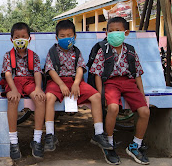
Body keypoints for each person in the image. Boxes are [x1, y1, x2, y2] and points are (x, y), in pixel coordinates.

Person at [44, 20, 112, 154]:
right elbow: (50, 70)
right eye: (62, 36)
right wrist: (62, 84)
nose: (66, 38)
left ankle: (98, 133)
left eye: (69, 35)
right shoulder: (52, 52)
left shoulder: (76, 51)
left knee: (96, 96)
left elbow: (80, 68)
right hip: (57, 81)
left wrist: (76, 83)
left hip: (75, 81)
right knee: (49, 98)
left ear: (75, 37)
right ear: (57, 38)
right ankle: (50, 135)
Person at [89, 17, 150, 165]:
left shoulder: (130, 50)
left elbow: (137, 74)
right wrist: (100, 94)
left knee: (145, 111)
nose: (114, 34)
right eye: (111, 31)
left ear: (126, 33)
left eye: (118, 31)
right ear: (106, 33)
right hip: (110, 83)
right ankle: (108, 144)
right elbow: (97, 73)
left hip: (129, 83)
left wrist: (141, 94)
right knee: (113, 107)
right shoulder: (103, 50)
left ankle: (136, 145)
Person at [1, 22, 46, 160]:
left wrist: (38, 88)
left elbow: (38, 72)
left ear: (29, 39)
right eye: (17, 37)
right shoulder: (8, 55)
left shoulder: (34, 56)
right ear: (12, 39)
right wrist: (13, 90)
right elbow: (8, 74)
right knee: (13, 100)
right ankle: (13, 141)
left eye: (23, 36)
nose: (20, 39)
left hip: (29, 81)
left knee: (40, 99)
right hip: (13, 82)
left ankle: (37, 139)